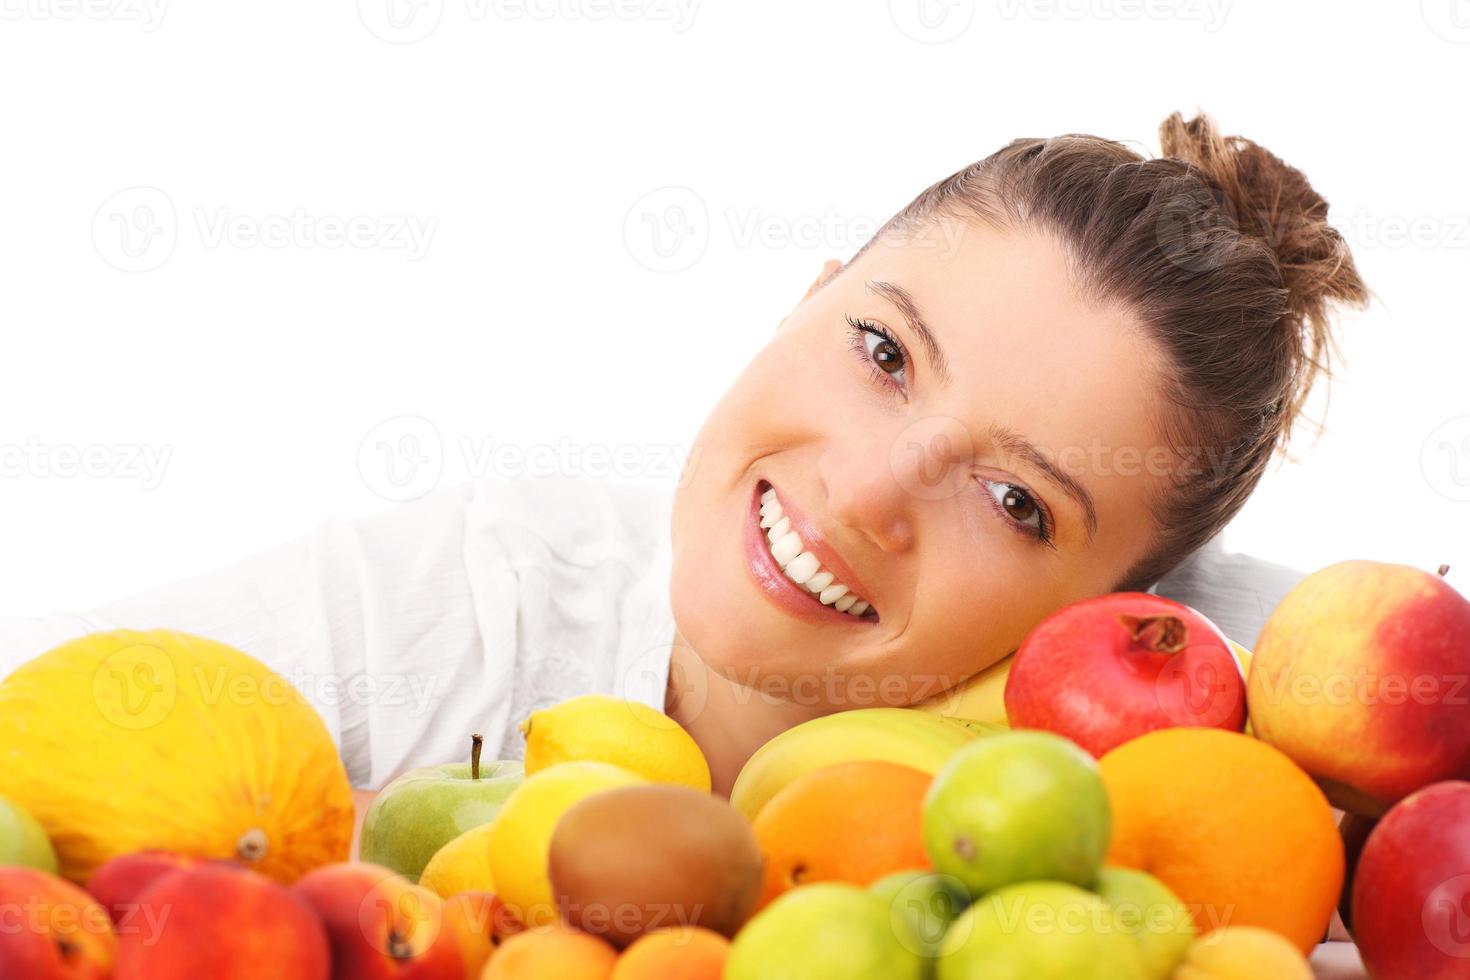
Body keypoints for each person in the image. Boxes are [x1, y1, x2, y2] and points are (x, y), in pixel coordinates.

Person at [0, 111, 1370, 969]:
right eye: (883, 351)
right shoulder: (468, 595)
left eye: (1017, 504)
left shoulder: (1138, 795)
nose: (870, 491)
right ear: (805, 296)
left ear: (1122, 602)